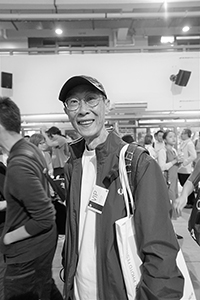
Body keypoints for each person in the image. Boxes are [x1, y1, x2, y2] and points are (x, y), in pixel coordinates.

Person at [58, 75, 184, 300]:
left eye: (91, 99)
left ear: (107, 105)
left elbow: (161, 253)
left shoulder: (137, 163)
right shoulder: (73, 165)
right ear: (67, 111)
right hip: (78, 291)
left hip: (120, 291)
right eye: (74, 102)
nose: (83, 110)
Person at [0, 97, 63, 300]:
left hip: (27, 254)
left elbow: (45, 217)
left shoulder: (18, 163)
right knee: (45, 287)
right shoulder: (30, 149)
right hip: (42, 246)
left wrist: (8, 238)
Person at [177, 128, 197, 209]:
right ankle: (189, 200)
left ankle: (191, 201)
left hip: (186, 168)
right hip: (181, 168)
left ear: (187, 134)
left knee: (187, 184)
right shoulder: (183, 143)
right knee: (182, 183)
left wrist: (185, 162)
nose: (181, 135)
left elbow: (194, 156)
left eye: (183, 133)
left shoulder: (189, 144)